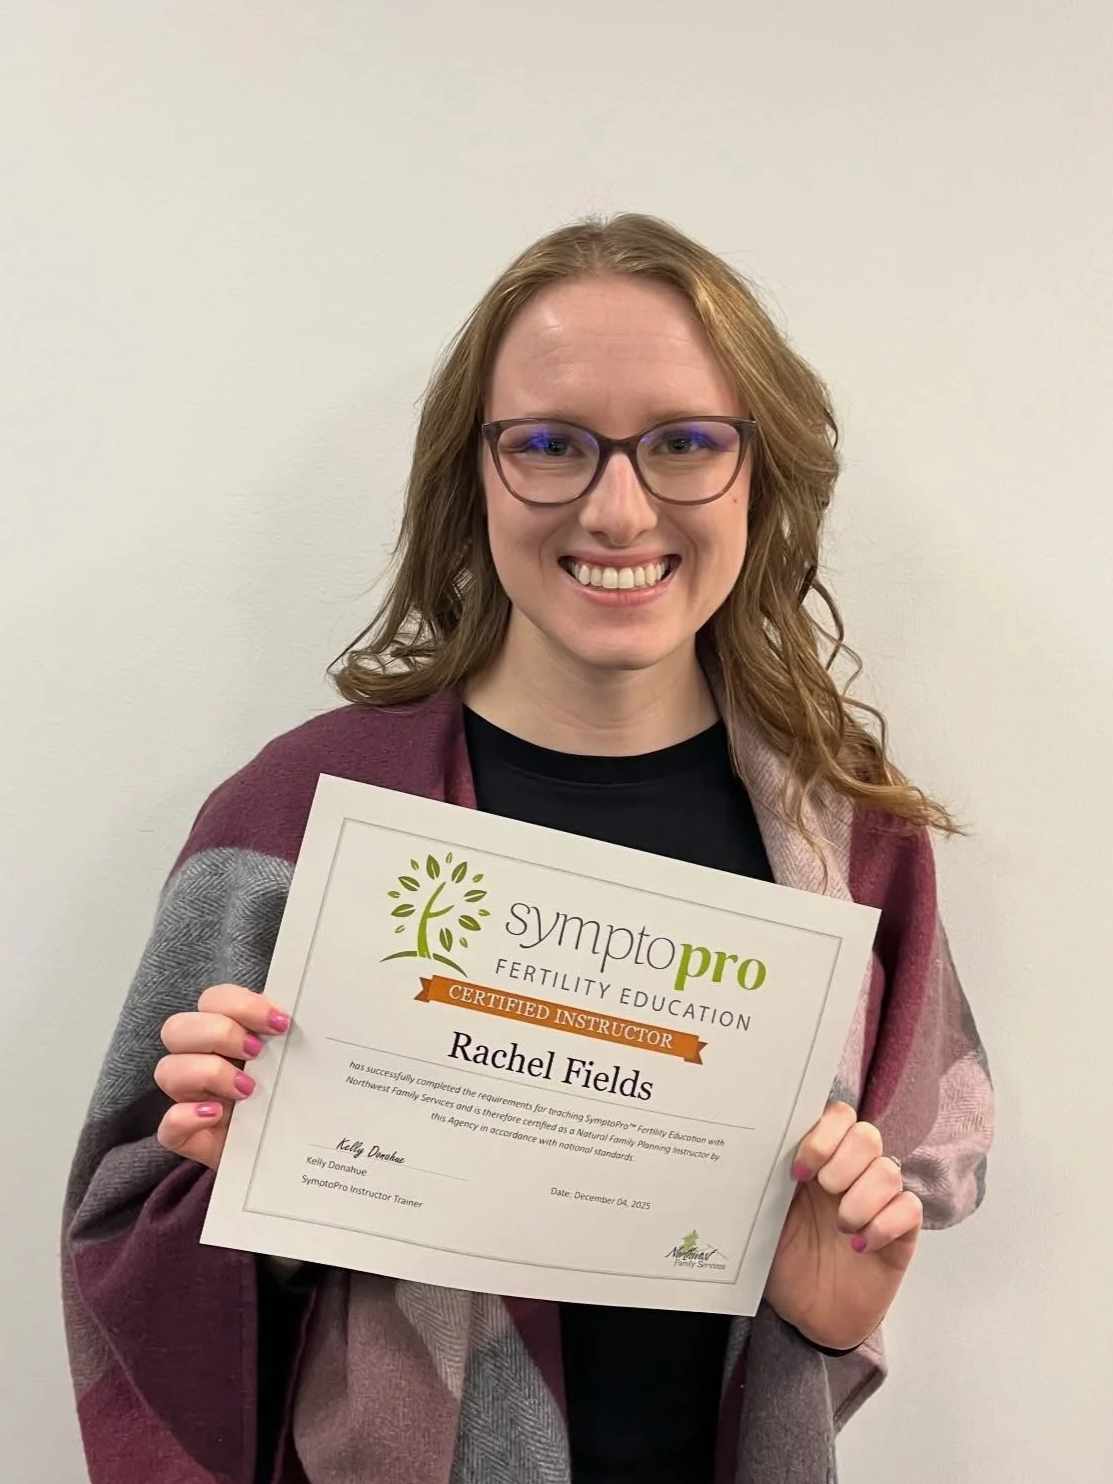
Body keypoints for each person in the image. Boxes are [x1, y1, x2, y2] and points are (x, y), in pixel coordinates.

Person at [62, 212, 993, 1484]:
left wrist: (828, 1311)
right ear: (477, 473)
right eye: (550, 444)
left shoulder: (855, 846)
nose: (619, 507)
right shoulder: (292, 817)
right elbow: (120, 1238)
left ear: (756, 471)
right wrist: (252, 1195)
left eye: (682, 442)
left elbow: (918, 1167)